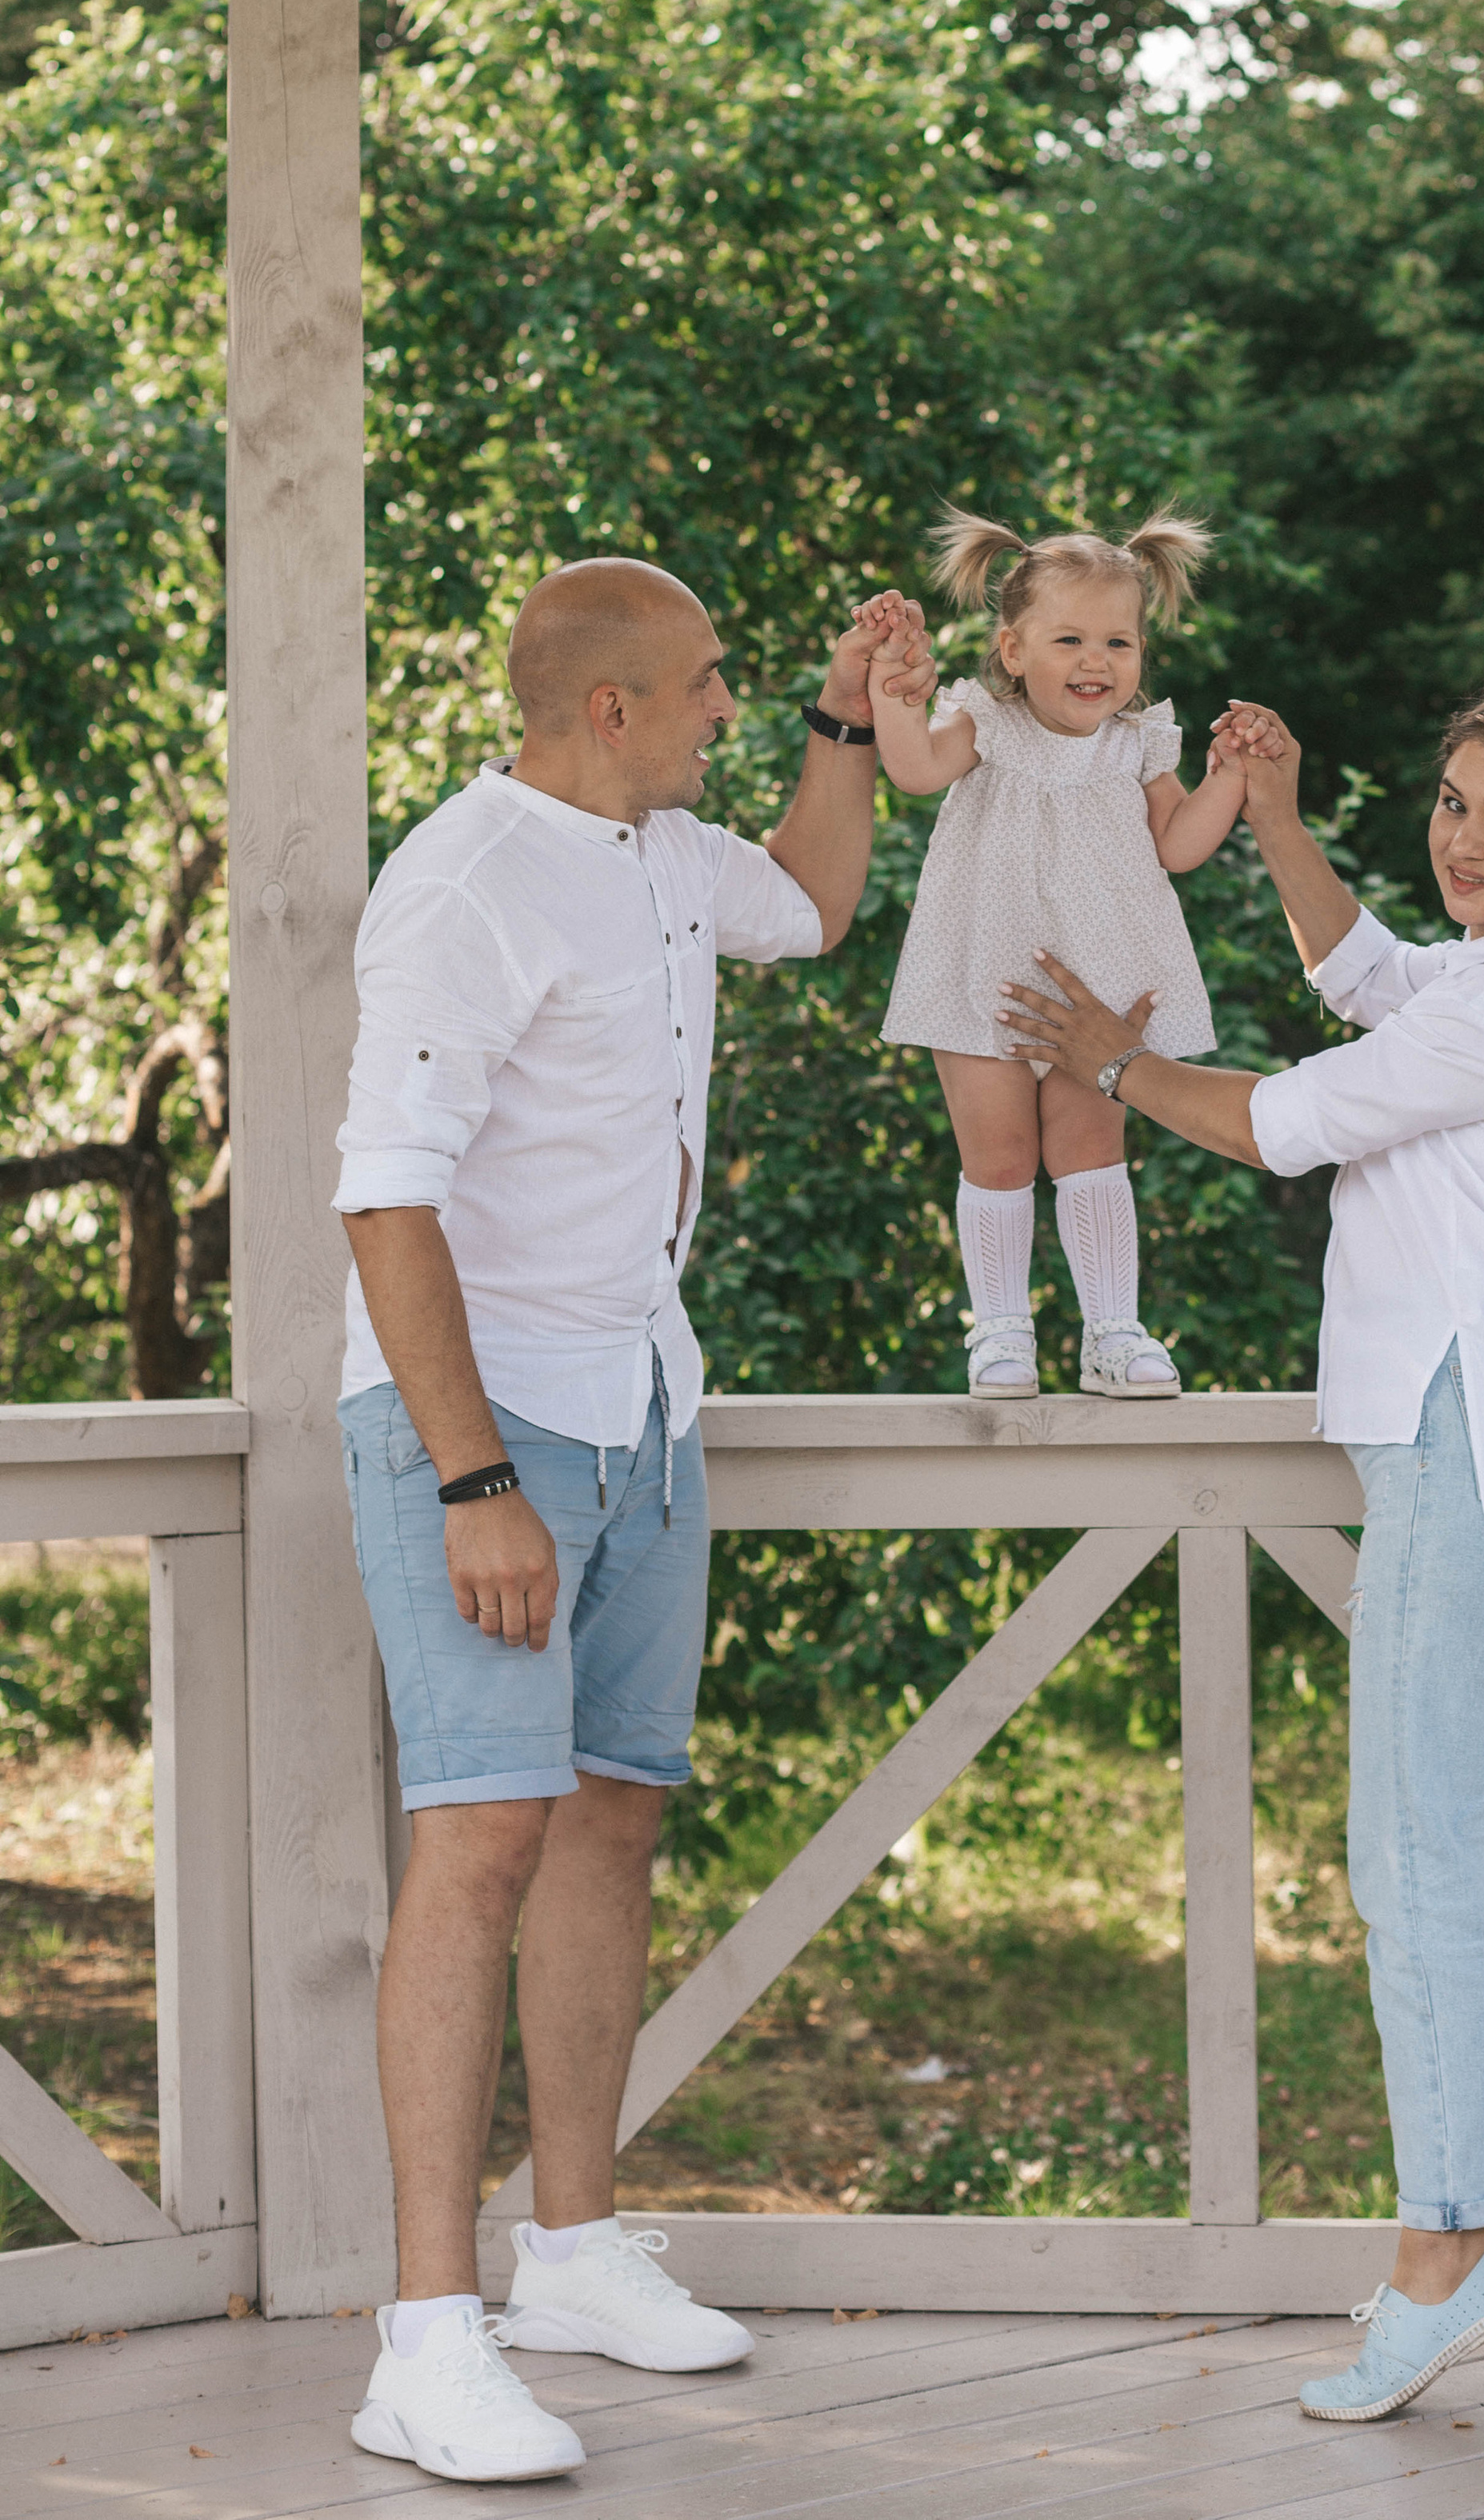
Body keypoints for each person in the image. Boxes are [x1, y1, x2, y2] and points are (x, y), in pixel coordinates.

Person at [1002, 673, 1484, 2424]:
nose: (1463, 840)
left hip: (1470, 1466)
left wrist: (1111, 1058)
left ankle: (1444, 2248)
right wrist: (1273, 821)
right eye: (1454, 802)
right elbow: (1372, 979)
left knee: (1410, 1863)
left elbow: (1273, 1123)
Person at [332, 557, 933, 2485]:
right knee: (482, 1837)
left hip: (645, 1395)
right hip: (483, 1411)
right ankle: (424, 2339)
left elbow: (823, 900)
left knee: (607, 1813)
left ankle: (572, 2249)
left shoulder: (669, 859)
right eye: (706, 689)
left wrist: (852, 716)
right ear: (606, 707)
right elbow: (383, 1201)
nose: (723, 713)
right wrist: (473, 1478)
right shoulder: (462, 883)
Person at [861, 504, 1251, 1400]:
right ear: (1012, 651)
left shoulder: (1138, 744)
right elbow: (915, 771)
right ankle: (1000, 1333)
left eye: (1118, 643)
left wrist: (1229, 774)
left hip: (1098, 981)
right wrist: (893, 691)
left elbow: (1180, 845)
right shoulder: (984, 726)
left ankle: (1113, 1331)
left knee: (1089, 1146)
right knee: (997, 1154)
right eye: (1069, 639)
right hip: (985, 970)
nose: (1095, 662)